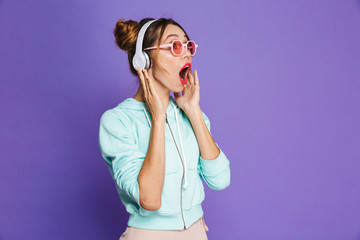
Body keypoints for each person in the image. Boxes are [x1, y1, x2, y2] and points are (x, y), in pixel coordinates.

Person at [98, 17, 231, 240]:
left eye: (189, 45)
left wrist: (193, 111)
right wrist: (158, 118)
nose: (187, 53)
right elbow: (150, 200)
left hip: (196, 232)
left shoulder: (191, 115)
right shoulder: (117, 121)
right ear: (143, 60)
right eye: (175, 46)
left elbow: (220, 180)